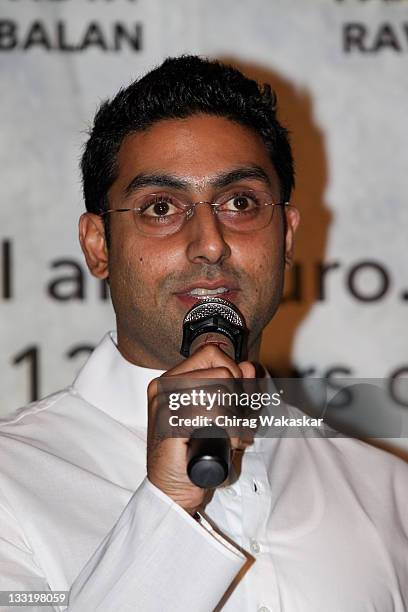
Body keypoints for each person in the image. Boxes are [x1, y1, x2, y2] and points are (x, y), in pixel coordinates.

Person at [0, 55, 407, 612]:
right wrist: (167, 506)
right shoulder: (10, 480)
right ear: (98, 245)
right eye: (161, 207)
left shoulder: (387, 495)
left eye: (240, 202)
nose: (210, 243)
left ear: (287, 234)